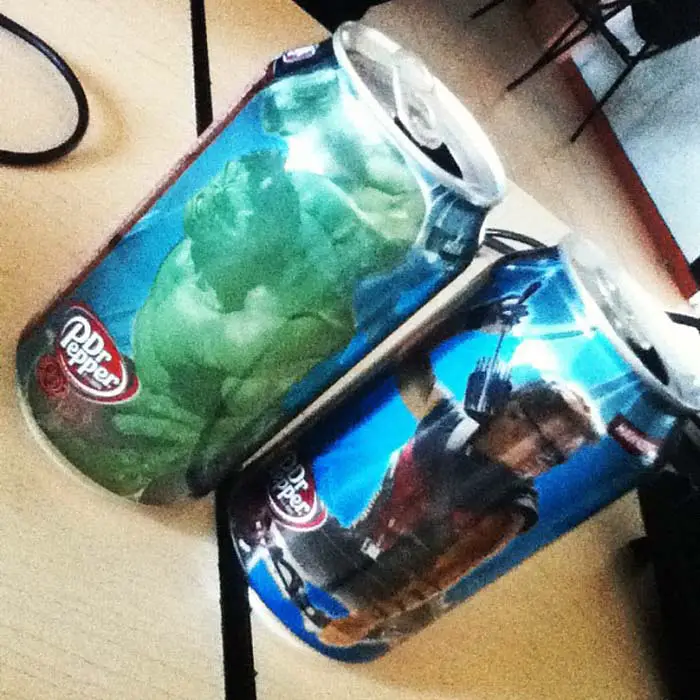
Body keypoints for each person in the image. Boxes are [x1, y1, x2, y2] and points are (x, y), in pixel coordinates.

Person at [304, 353, 604, 647]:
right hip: (349, 554)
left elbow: (443, 575)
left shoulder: (512, 507)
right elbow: (408, 364)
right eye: (542, 443)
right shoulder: (446, 420)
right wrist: (469, 324)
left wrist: (367, 619)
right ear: (509, 411)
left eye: (555, 456)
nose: (541, 460)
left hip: (393, 602)